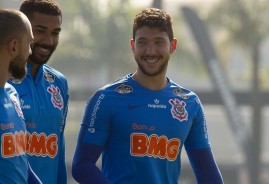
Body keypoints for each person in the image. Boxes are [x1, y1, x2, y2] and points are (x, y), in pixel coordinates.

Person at [72, 8, 223, 184]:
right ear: (132, 46)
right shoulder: (105, 99)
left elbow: (207, 172)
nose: (150, 51)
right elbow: (82, 166)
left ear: (172, 46)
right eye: (143, 42)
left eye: (159, 42)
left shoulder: (190, 103)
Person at [8, 1, 69, 184]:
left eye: (55, 33)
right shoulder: (4, 79)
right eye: (40, 31)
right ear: (23, 31)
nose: (49, 41)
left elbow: (59, 153)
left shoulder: (59, 83)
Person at [0, 8, 42, 183]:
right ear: (14, 46)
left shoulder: (12, 93)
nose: (30, 52)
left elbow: (20, 162)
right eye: (29, 44)